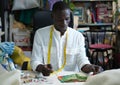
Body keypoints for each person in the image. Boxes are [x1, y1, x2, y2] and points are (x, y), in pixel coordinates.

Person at [30, 1, 103, 76]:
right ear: (52, 17)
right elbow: (35, 61)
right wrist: (42, 68)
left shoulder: (78, 36)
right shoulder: (40, 34)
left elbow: (82, 60)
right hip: (48, 79)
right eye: (60, 20)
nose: (64, 23)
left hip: (70, 80)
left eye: (67, 19)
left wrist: (90, 67)